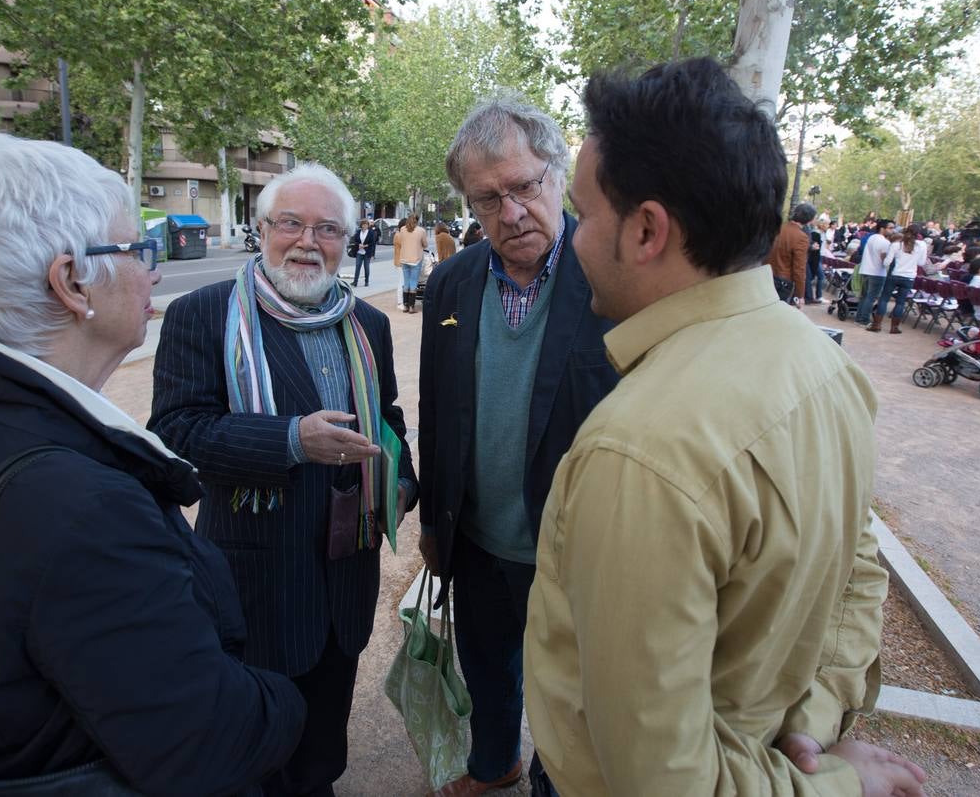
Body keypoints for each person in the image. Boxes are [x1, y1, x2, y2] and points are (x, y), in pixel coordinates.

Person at [525, 58, 925, 796]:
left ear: (647, 230)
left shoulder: (639, 453)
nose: (571, 241)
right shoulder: (824, 365)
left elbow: (663, 784)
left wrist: (840, 786)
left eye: (583, 215)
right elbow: (857, 568)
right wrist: (815, 719)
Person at [0, 133, 304, 794]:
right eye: (135, 250)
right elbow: (209, 743)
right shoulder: (80, 504)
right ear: (71, 282)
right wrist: (286, 702)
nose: (152, 271)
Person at [149, 163, 415, 797]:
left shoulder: (367, 324)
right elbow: (178, 432)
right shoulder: (203, 315)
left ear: (349, 240)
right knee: (254, 749)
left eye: (326, 228)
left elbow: (389, 421)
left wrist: (401, 485)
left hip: (346, 568)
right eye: (290, 223)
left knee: (322, 744)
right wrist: (292, 441)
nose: (306, 241)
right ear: (261, 229)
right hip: (254, 577)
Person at [417, 94, 618, 797]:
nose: (510, 214)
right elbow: (436, 412)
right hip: (475, 539)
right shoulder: (451, 281)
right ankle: (494, 762)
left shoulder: (613, 281)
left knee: (569, 691)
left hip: (575, 551)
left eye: (525, 187)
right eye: (486, 199)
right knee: (487, 665)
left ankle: (552, 783)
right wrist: (435, 526)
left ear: (558, 174)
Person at [874, 224, 936, 334]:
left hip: (894, 274)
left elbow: (887, 262)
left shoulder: (896, 245)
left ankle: (877, 324)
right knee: (900, 303)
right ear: (919, 234)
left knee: (884, 299)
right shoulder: (922, 246)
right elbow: (921, 263)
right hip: (909, 276)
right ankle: (894, 327)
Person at [765, 201, 813, 304]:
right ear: (810, 220)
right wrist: (800, 295)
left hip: (766, 275)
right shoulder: (801, 237)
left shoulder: (777, 228)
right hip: (782, 281)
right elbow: (799, 268)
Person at [856, 218, 895, 327]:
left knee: (865, 296)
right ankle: (864, 319)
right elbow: (884, 260)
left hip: (866, 269)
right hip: (877, 272)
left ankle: (859, 317)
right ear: (882, 229)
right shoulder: (884, 242)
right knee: (871, 297)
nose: (892, 231)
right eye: (890, 228)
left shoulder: (871, 237)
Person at [394, 214, 428, 313]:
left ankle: (405, 306)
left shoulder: (403, 229)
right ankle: (412, 307)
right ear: (417, 221)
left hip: (404, 259)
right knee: (413, 282)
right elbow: (425, 244)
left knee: (406, 282)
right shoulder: (421, 231)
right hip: (416, 259)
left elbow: (401, 241)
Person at [350, 218, 378, 287]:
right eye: (363, 225)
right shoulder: (358, 232)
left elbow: (373, 242)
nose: (365, 226)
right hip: (359, 252)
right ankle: (355, 282)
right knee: (357, 266)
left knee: (366, 267)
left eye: (366, 225)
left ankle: (366, 281)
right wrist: (358, 245)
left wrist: (365, 245)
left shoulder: (370, 232)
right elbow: (354, 240)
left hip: (367, 252)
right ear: (361, 225)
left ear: (368, 225)